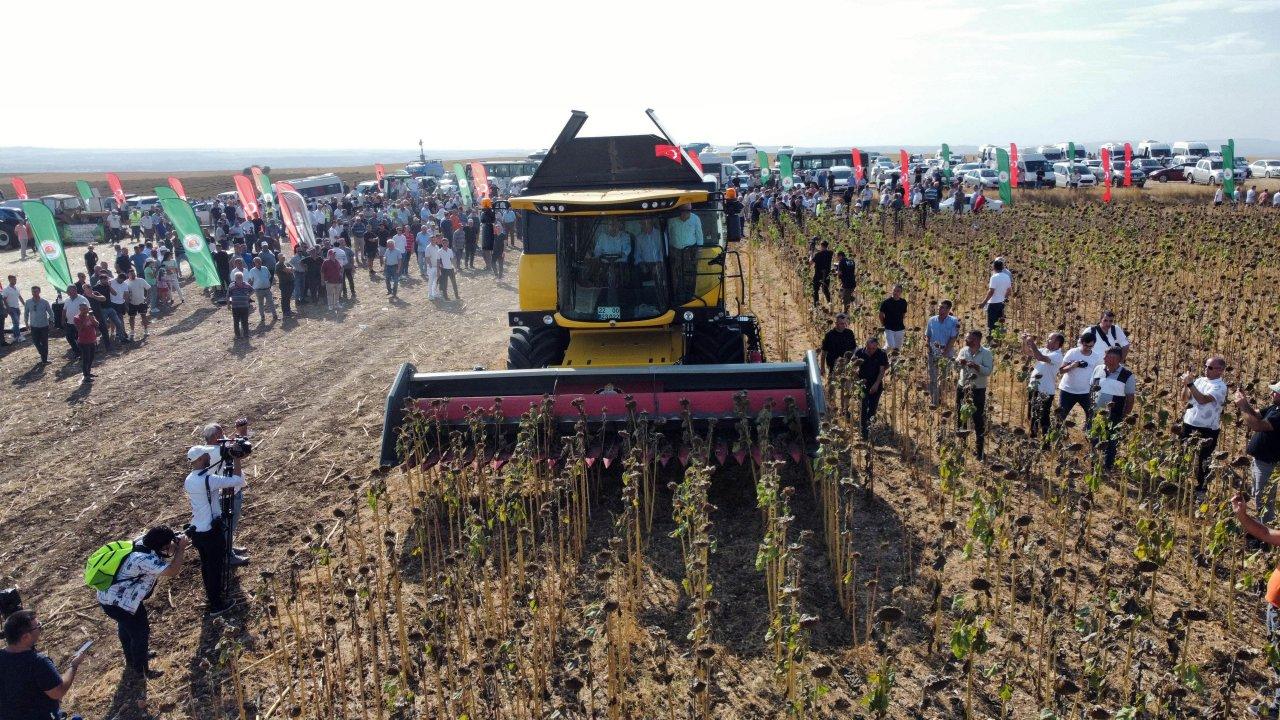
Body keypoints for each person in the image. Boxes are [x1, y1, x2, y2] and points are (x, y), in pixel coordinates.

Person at [96, 526, 189, 679]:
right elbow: (173, 571)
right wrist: (181, 549)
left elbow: (162, 548)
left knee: (126, 628)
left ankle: (132, 659)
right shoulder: (143, 559)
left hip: (112, 598)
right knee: (140, 633)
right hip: (120, 603)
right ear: (163, 546)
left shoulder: (143, 541)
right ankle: (141, 670)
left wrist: (174, 540)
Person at [184, 443, 247, 615]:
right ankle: (216, 604)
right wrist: (237, 460)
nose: (208, 457)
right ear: (199, 459)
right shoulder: (208, 479)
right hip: (211, 532)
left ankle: (212, 597)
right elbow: (238, 481)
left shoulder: (189, 480)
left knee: (207, 567)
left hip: (198, 530)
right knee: (215, 568)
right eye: (205, 456)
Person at [0, 610, 84, 719]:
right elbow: (58, 692)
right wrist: (73, 666)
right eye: (38, 626)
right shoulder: (38, 662)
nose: (40, 628)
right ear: (25, 637)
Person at [1179, 357, 1228, 491]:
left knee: (1203, 460)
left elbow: (1202, 400)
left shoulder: (1220, 387)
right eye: (1205, 366)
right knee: (1181, 453)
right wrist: (1185, 385)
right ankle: (1178, 482)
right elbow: (1185, 398)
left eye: (1210, 368)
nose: (1206, 369)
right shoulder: (1199, 381)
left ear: (1220, 371)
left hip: (1207, 429)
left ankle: (1201, 488)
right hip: (1189, 423)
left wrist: (1190, 384)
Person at [1237, 383, 1280, 524]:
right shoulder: (1275, 407)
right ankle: (1262, 527)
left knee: (1264, 497)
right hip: (1260, 460)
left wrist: (1243, 406)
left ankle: (1266, 535)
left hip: (1268, 463)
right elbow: (1256, 414)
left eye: (1276, 392)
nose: (1272, 394)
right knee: (1258, 493)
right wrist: (1244, 400)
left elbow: (1257, 425)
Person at [1089, 347, 1136, 470]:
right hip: (1096, 413)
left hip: (1115, 414)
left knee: (1111, 442)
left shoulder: (1127, 375)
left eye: (1108, 356)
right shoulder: (1098, 369)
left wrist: (1125, 416)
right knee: (1094, 438)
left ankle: (1107, 466)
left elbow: (1130, 398)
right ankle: (1094, 465)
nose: (1104, 358)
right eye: (1105, 356)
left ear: (1118, 359)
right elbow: (1092, 388)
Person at [955, 330, 995, 460]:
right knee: (960, 415)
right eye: (966, 338)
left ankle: (980, 451)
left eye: (969, 339)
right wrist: (959, 362)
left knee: (978, 419)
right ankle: (962, 444)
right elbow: (956, 363)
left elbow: (988, 371)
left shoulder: (987, 353)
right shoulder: (964, 350)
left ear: (977, 340)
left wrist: (976, 366)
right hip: (962, 387)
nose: (966, 340)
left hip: (977, 389)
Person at [1022, 332, 1065, 438]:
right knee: (1032, 414)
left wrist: (1032, 344)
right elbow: (1027, 352)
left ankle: (1046, 442)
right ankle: (1033, 437)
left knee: (1043, 417)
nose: (1047, 340)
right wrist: (1024, 341)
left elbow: (1040, 357)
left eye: (1050, 339)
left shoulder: (1057, 356)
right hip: (1034, 388)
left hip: (1045, 391)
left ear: (1057, 342)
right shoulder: (1045, 350)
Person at [1056, 332, 1100, 428]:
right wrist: (1072, 366)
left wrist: (1095, 390)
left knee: (1091, 416)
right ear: (1081, 342)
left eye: (1091, 346)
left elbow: (1097, 375)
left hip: (1086, 392)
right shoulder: (1072, 352)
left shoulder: (1096, 357)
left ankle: (1088, 435)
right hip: (1068, 391)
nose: (1088, 348)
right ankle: (1054, 438)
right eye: (1086, 345)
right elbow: (1061, 371)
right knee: (1060, 417)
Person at [925, 300, 960, 407]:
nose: (941, 309)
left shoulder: (954, 321)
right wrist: (928, 346)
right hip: (933, 353)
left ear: (949, 309)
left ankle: (939, 395)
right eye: (940, 307)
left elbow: (953, 337)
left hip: (947, 353)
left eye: (944, 307)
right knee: (933, 377)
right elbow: (927, 335)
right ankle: (934, 402)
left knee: (944, 378)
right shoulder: (932, 320)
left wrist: (946, 351)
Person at [852, 335, 889, 438]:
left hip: (876, 383)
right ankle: (863, 430)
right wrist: (857, 380)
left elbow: (882, 371)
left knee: (872, 407)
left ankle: (869, 427)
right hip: (862, 383)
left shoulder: (881, 354)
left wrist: (876, 384)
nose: (871, 350)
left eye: (874, 348)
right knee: (863, 406)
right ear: (866, 345)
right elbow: (853, 367)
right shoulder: (859, 352)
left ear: (877, 346)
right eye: (869, 348)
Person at [977, 258, 1012, 331]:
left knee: (991, 325)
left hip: (993, 304)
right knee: (1000, 323)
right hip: (1001, 303)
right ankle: (999, 339)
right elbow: (1009, 290)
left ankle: (991, 341)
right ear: (1002, 267)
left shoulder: (994, 277)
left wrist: (984, 302)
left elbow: (991, 291)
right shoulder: (1007, 276)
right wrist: (1003, 298)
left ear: (994, 267)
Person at [22, 286, 53, 364]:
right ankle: (43, 353)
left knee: (44, 342)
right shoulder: (28, 302)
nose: (34, 293)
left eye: (36, 291)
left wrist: (51, 321)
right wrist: (26, 323)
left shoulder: (44, 302)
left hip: (44, 325)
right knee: (36, 342)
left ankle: (44, 360)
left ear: (39, 291)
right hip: (34, 326)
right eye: (33, 292)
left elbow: (50, 312)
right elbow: (26, 314)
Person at [73, 303, 99, 382]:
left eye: (86, 309)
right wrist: (85, 320)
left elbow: (97, 324)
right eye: (83, 309)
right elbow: (79, 330)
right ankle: (86, 375)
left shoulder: (90, 316)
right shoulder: (77, 318)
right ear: (80, 310)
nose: (85, 311)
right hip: (83, 342)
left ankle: (88, 372)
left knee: (91, 357)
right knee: (86, 359)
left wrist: (92, 319)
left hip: (92, 340)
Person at [878, 284, 907, 353]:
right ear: (892, 291)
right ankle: (881, 354)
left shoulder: (903, 302)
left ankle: (892, 362)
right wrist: (884, 324)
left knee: (897, 349)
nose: (895, 292)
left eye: (898, 291)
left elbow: (903, 314)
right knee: (891, 346)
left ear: (901, 292)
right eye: (894, 290)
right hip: (889, 328)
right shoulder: (886, 302)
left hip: (900, 328)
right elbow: (880, 315)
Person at [124, 269, 151, 341]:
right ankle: (132, 331)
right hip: (132, 303)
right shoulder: (125, 283)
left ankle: (146, 330)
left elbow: (148, 288)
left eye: (133, 273)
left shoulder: (141, 280)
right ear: (128, 274)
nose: (133, 275)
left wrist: (147, 298)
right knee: (131, 317)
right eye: (131, 274)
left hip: (141, 302)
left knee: (143, 316)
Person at [227, 272, 254, 339]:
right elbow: (227, 296)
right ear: (235, 278)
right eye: (237, 278)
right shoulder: (231, 285)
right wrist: (228, 305)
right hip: (235, 307)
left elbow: (253, 290)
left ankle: (246, 335)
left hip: (244, 306)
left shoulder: (246, 285)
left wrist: (249, 295)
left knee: (245, 321)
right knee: (236, 321)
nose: (239, 279)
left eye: (240, 277)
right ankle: (237, 335)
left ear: (242, 278)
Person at [810, 240, 833, 307]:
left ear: (821, 246)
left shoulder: (817, 255)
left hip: (818, 275)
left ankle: (816, 305)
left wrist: (811, 254)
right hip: (827, 274)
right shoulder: (830, 253)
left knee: (815, 290)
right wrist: (816, 250)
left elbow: (810, 262)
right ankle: (829, 303)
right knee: (825, 289)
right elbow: (824, 252)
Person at [436, 236, 459, 300]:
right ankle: (446, 297)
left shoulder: (450, 250)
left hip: (451, 269)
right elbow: (438, 261)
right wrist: (438, 271)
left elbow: (453, 259)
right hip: (444, 270)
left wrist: (456, 268)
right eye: (443, 243)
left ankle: (456, 296)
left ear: (448, 243)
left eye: (445, 242)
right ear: (442, 243)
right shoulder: (439, 251)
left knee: (454, 283)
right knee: (444, 284)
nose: (444, 244)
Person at [1, 275, 23, 345]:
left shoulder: (16, 288)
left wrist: (25, 304)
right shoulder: (6, 289)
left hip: (17, 307)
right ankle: (18, 336)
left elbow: (19, 297)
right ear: (9, 280)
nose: (15, 281)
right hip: (11, 308)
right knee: (16, 322)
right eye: (13, 279)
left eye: (15, 279)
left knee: (16, 322)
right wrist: (8, 308)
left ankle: (15, 334)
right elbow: (4, 299)